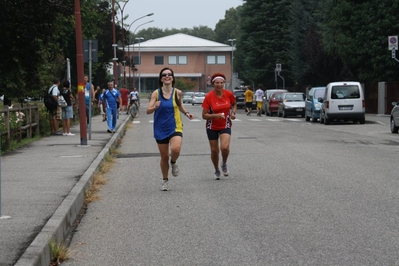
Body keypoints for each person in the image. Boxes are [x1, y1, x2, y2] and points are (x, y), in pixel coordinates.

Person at [146, 67, 194, 191]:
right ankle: (165, 180)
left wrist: (186, 113)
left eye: (169, 74)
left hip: (175, 126)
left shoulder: (177, 92)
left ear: (172, 78)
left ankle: (173, 162)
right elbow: (148, 110)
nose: (167, 76)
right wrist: (155, 106)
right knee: (164, 157)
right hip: (160, 128)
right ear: (161, 79)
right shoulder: (156, 93)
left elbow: (179, 105)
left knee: (175, 149)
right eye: (164, 75)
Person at [202, 72, 237, 180]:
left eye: (221, 83)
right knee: (214, 150)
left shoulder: (229, 94)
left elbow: (234, 104)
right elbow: (204, 115)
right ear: (213, 84)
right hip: (212, 126)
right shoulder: (209, 97)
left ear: (224, 83)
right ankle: (217, 169)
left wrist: (233, 113)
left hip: (225, 124)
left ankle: (224, 163)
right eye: (217, 83)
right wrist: (215, 115)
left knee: (225, 148)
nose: (219, 85)